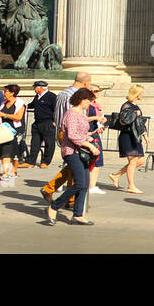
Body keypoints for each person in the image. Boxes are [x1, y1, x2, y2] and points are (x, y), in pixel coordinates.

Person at [45, 88, 99, 225]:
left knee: (84, 184)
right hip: (71, 151)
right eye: (89, 101)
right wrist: (90, 145)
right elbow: (72, 135)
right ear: (82, 100)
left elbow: (80, 133)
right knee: (80, 183)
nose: (90, 104)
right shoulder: (71, 114)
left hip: (81, 150)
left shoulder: (81, 113)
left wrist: (91, 136)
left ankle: (78, 214)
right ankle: (54, 206)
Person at [40, 72, 91, 202]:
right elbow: (75, 116)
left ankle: (52, 189)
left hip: (62, 131)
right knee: (76, 164)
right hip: (73, 133)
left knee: (72, 165)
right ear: (85, 83)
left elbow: (57, 115)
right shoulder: (77, 97)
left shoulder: (62, 93)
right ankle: (69, 198)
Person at [109, 84, 147, 193]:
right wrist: (135, 113)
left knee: (140, 161)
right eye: (141, 92)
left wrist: (145, 134)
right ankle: (131, 186)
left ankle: (116, 175)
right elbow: (123, 120)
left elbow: (139, 123)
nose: (142, 95)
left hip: (135, 136)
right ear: (136, 93)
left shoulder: (135, 106)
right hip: (127, 136)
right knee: (133, 161)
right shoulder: (126, 105)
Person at [0, 84, 26, 183]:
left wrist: (4, 115)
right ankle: (5, 172)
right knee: (5, 151)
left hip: (16, 130)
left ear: (12, 93)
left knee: (15, 152)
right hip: (4, 130)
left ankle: (14, 171)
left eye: (6, 91)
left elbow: (18, 117)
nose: (4, 94)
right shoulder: (3, 103)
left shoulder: (20, 103)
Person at [22, 80, 57, 168]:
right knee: (35, 143)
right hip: (37, 123)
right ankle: (31, 161)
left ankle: (45, 162)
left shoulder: (52, 96)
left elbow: (57, 110)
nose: (34, 89)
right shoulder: (37, 96)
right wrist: (23, 106)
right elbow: (32, 105)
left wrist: (55, 122)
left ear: (40, 88)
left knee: (49, 144)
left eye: (35, 87)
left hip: (48, 123)